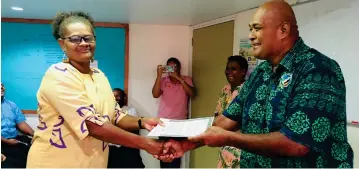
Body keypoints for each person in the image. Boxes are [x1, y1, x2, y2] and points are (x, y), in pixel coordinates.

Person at [157, 0, 354, 168]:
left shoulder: (317, 69)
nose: (251, 35)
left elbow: (296, 143)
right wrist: (187, 143)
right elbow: (226, 121)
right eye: (250, 28)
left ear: (283, 30)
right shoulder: (261, 72)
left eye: (257, 28)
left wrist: (229, 138)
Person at [26, 11, 171, 168]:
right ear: (62, 44)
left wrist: (142, 122)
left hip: (93, 162)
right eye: (75, 39)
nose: (83, 43)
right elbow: (92, 125)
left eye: (88, 38)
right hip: (56, 162)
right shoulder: (59, 75)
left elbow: (115, 115)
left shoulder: (99, 75)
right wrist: (145, 143)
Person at [152, 57, 195, 168]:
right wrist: (158, 76)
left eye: (173, 66)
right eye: (169, 67)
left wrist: (179, 79)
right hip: (163, 124)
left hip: (180, 124)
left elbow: (192, 93)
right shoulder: (163, 81)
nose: (171, 69)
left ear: (179, 68)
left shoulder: (186, 79)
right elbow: (155, 94)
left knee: (176, 156)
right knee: (164, 155)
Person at [215, 56, 248, 168]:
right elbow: (218, 114)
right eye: (227, 69)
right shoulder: (225, 89)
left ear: (243, 71)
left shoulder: (248, 90)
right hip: (223, 147)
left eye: (233, 69)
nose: (229, 72)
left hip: (240, 149)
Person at [107, 88, 145, 168]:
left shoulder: (131, 110)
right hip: (111, 149)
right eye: (113, 96)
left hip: (127, 148)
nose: (115, 99)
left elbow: (133, 130)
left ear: (124, 98)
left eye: (118, 96)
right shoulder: (107, 112)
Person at [1, 83, 34, 168]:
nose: (1, 87)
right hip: (3, 142)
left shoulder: (11, 105)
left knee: (32, 153)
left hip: (14, 139)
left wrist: (36, 135)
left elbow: (21, 124)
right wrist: (6, 141)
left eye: (2, 85)